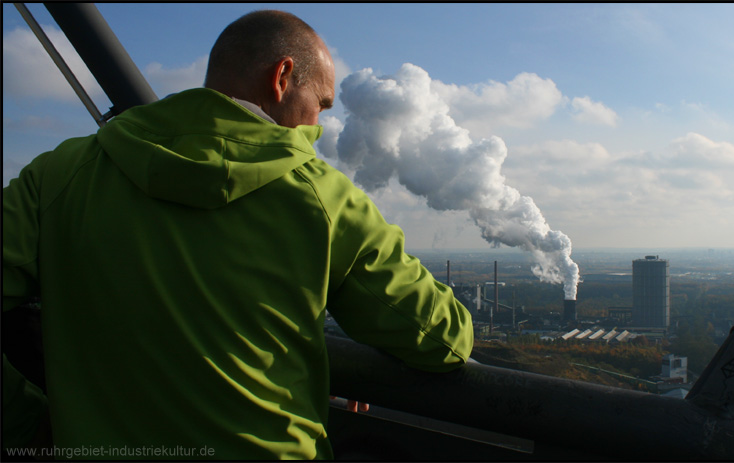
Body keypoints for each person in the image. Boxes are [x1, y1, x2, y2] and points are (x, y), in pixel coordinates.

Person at [2, 10, 473, 460]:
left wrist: (30, 426)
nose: (318, 125)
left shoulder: (59, 175)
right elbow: (444, 341)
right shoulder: (324, 199)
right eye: (321, 104)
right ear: (282, 77)